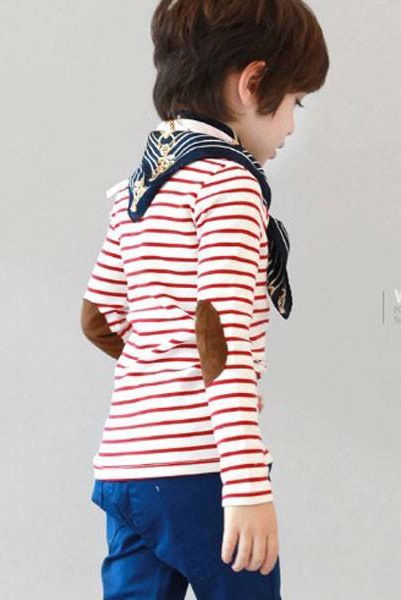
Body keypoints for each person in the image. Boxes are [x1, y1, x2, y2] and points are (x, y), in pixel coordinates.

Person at [80, 1, 328, 598]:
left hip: (125, 464)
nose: (292, 127)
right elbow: (221, 336)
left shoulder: (137, 188)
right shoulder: (230, 185)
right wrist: (246, 484)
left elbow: (98, 317)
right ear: (253, 83)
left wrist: (161, 373)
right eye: (295, 103)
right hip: (201, 470)